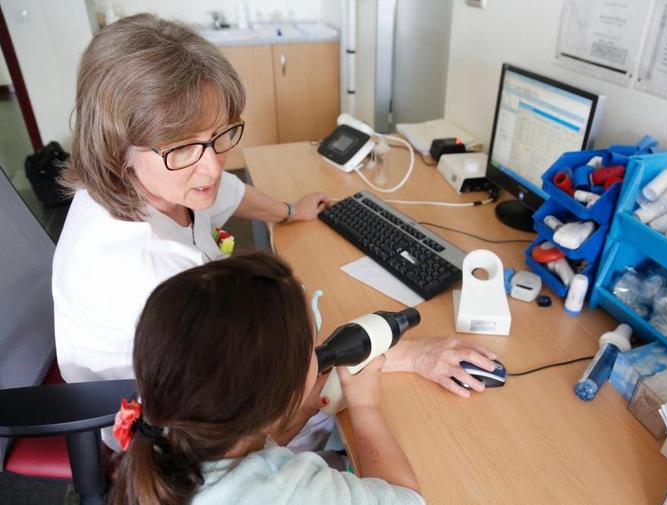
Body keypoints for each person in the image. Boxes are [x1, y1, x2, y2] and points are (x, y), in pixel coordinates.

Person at [53, 13, 496, 448]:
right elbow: (259, 388)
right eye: (184, 147)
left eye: (219, 135)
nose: (210, 165)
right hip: (176, 431)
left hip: (207, 366)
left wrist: (288, 211)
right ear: (117, 146)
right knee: (381, 429)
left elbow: (225, 190)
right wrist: (412, 355)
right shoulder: (148, 266)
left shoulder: (161, 179)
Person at [108, 253, 424, 505]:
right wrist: (365, 406)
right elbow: (407, 499)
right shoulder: (282, 487)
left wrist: (301, 410)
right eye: (310, 345)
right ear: (275, 400)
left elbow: (246, 458)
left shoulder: (163, 431)